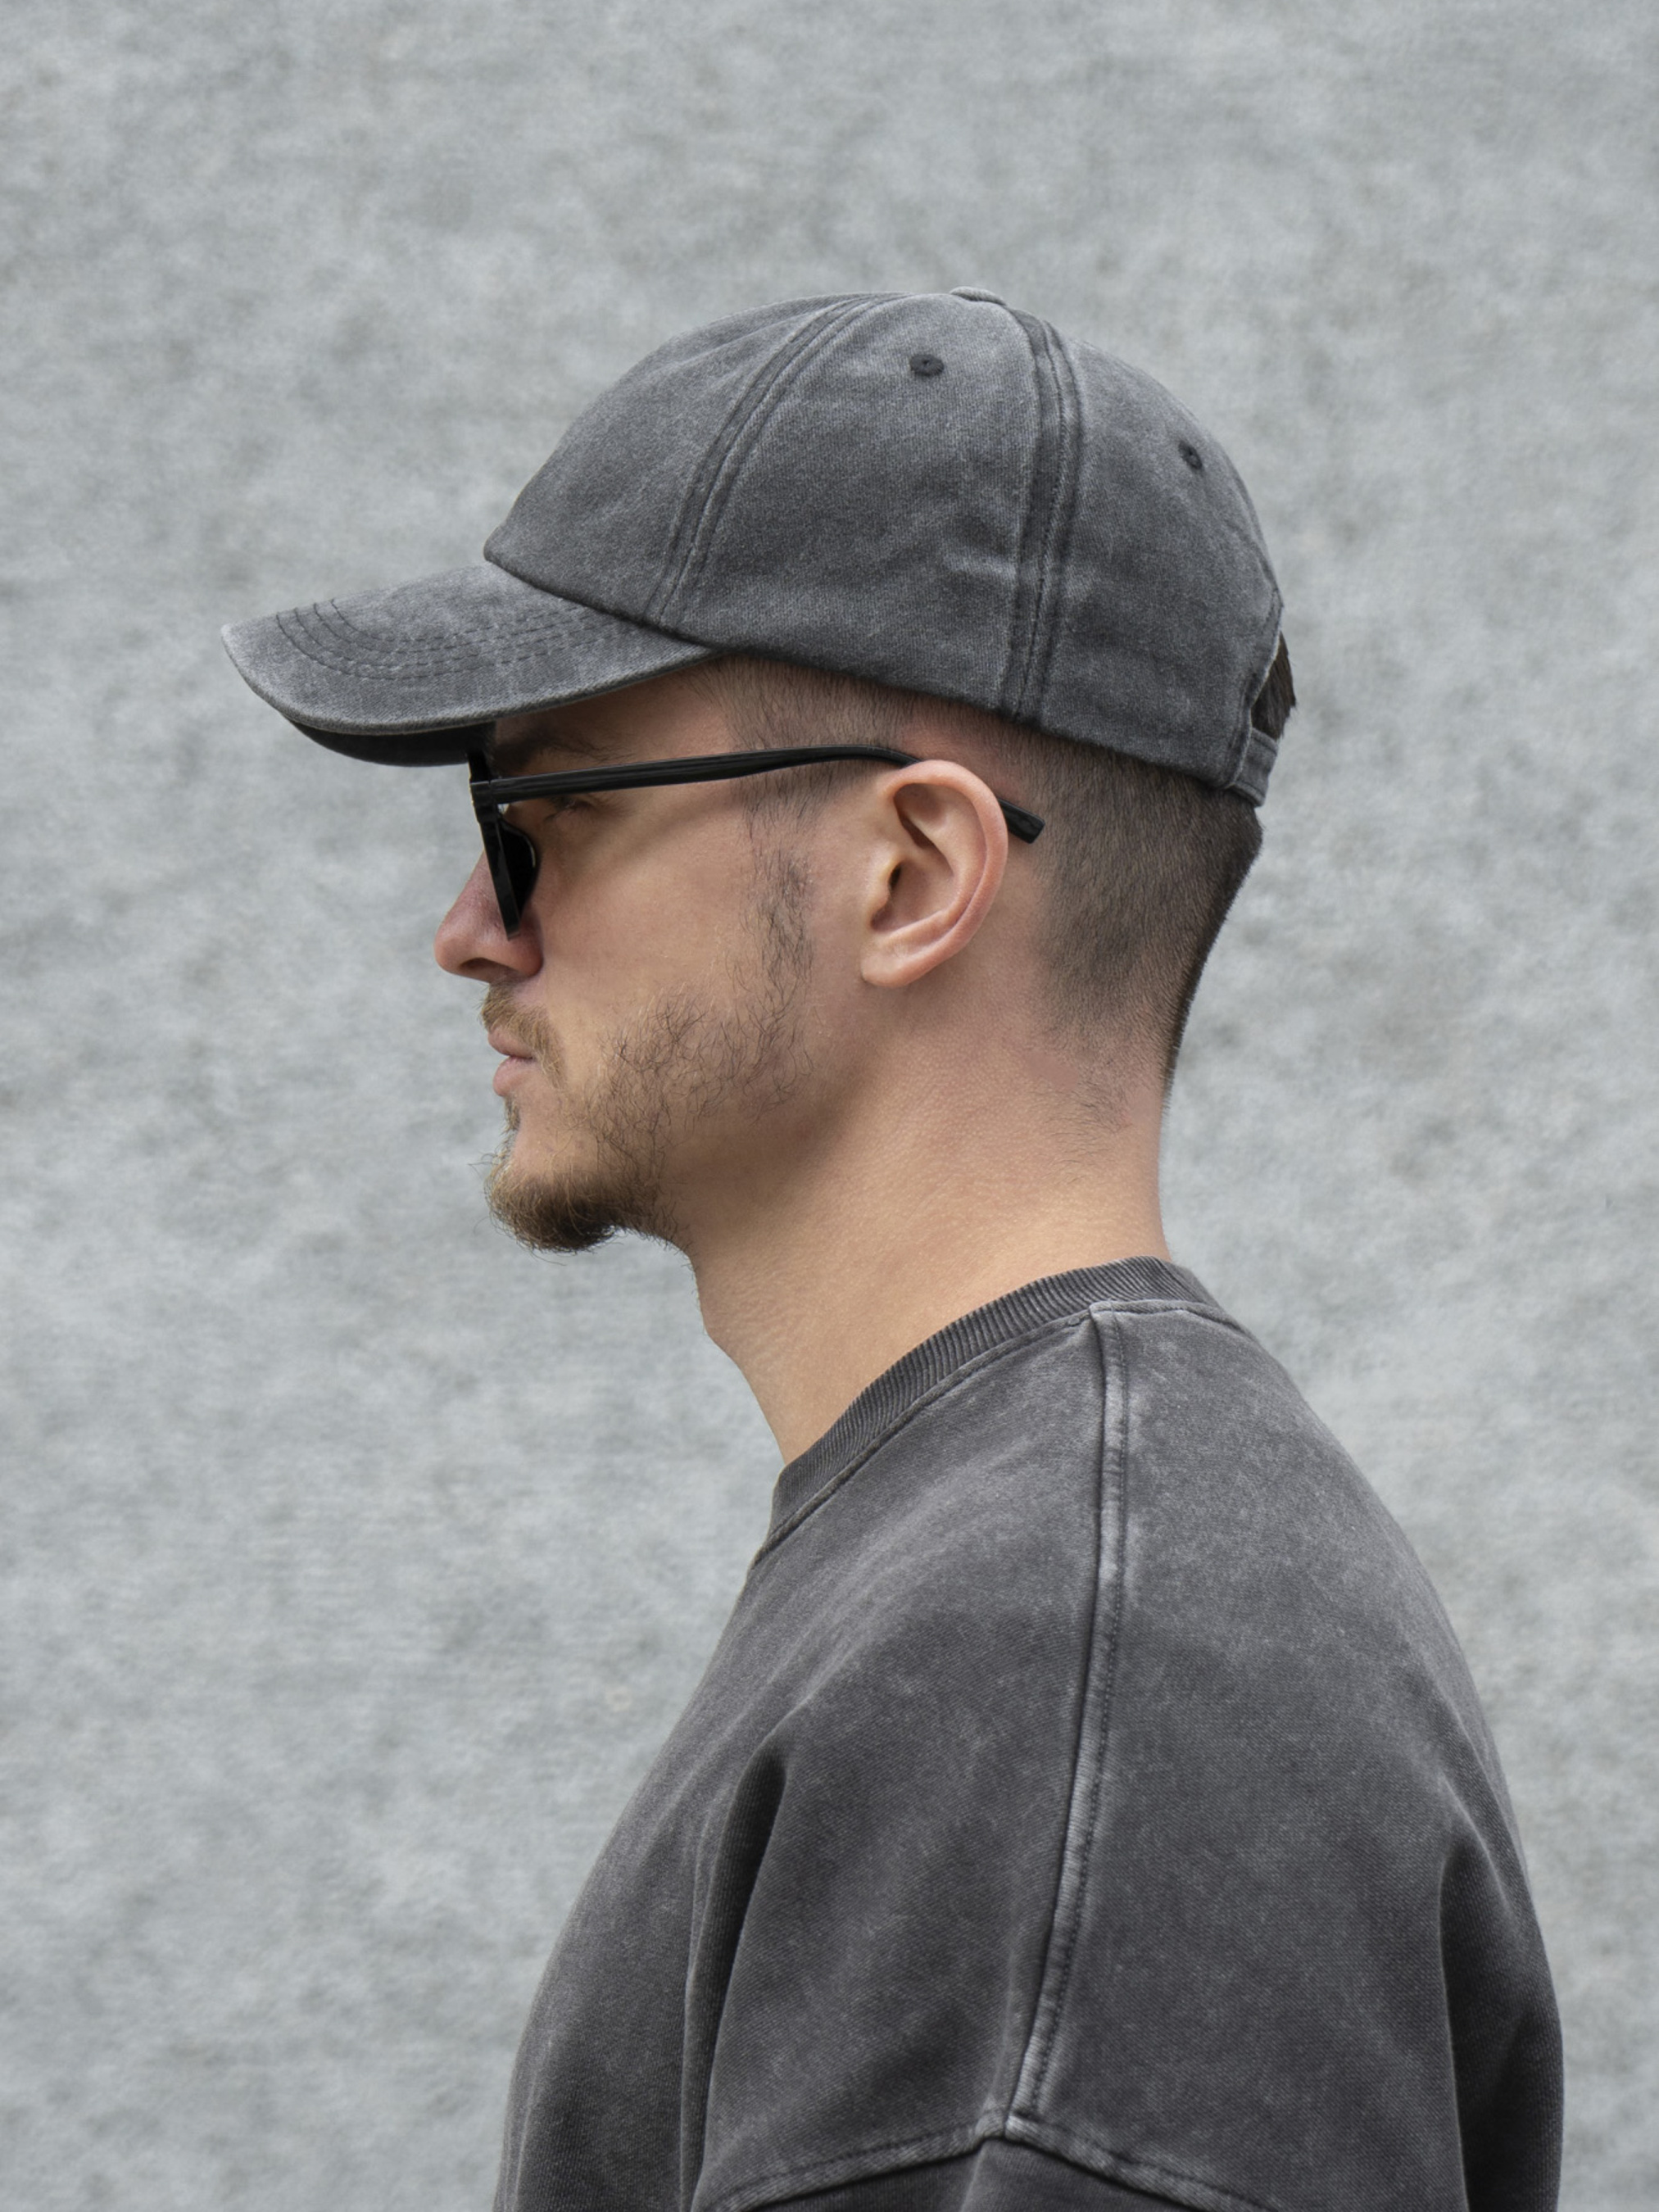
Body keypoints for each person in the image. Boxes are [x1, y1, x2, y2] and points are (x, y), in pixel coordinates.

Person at [224, 290, 1562, 2212]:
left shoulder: (1069, 1677)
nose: (470, 930)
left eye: (540, 811)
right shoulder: (1028, 1593)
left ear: (912, 874)